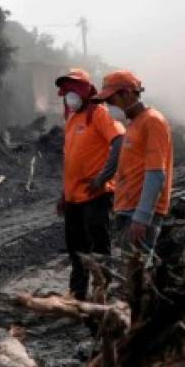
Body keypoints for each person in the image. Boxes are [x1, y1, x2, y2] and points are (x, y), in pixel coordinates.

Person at [55, 68, 125, 300]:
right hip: (74, 198)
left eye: (73, 89)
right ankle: (77, 296)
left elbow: (120, 141)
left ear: (85, 90)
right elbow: (70, 160)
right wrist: (64, 194)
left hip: (96, 195)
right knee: (76, 251)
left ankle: (101, 295)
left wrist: (102, 178)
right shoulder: (72, 119)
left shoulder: (98, 114)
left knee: (98, 250)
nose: (69, 95)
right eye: (66, 91)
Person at [92, 70, 173, 260]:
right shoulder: (135, 123)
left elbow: (156, 174)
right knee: (130, 275)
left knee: (136, 276)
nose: (108, 105)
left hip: (139, 214)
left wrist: (142, 216)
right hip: (129, 210)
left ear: (127, 93)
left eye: (111, 99)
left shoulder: (152, 122)